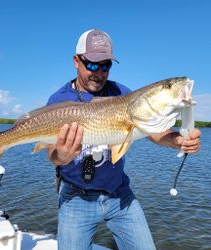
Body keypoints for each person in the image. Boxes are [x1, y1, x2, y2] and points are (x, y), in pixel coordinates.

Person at [46, 29, 201, 250]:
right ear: (76, 61)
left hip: (119, 194)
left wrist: (177, 140)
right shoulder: (58, 101)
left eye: (105, 65)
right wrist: (61, 156)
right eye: (91, 64)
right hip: (75, 198)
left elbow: (153, 132)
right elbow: (51, 153)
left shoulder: (123, 94)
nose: (99, 72)